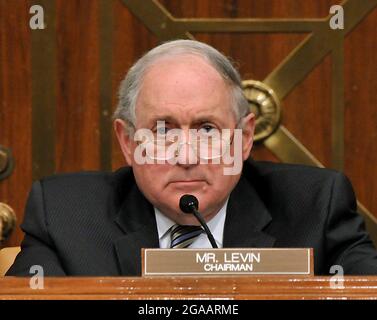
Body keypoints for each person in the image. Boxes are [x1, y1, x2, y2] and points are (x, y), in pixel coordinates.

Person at [6, 40, 377, 276]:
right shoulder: (65, 215)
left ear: (244, 139)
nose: (186, 155)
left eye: (206, 129)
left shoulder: (316, 208)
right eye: (163, 130)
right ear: (129, 142)